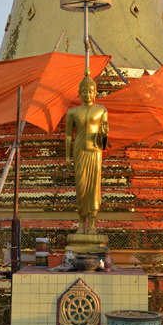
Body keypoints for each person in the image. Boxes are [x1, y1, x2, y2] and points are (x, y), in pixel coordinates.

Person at [65, 72, 108, 235]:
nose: (88, 94)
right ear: (79, 93)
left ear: (95, 93)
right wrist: (67, 156)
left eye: (90, 91)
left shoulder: (102, 110)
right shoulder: (73, 112)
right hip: (80, 151)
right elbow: (69, 135)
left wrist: (104, 135)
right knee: (81, 188)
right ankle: (81, 223)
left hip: (95, 152)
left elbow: (104, 142)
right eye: (84, 91)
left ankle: (92, 226)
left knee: (93, 189)